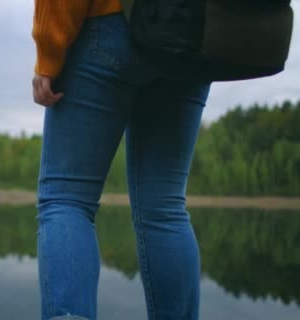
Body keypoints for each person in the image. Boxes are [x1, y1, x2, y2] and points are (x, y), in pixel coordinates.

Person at [31, 1, 212, 319]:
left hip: (113, 21)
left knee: (67, 201)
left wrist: (48, 54)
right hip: (194, 34)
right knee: (164, 209)